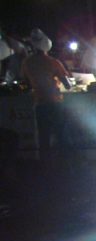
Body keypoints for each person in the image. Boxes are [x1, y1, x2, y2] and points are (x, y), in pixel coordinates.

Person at [20, 28, 72, 164]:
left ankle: (45, 165)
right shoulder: (53, 62)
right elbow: (68, 85)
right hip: (55, 102)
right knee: (61, 136)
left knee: (44, 137)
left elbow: (25, 83)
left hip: (39, 104)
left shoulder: (26, 62)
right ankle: (66, 164)